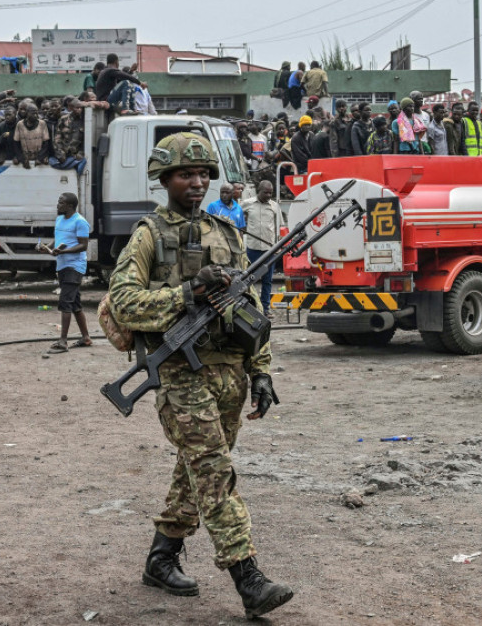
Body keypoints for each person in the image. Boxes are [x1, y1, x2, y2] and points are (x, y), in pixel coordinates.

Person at [107, 132, 292, 619]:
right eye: (186, 174)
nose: (197, 182)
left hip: (229, 371)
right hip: (178, 372)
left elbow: (251, 307)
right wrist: (186, 293)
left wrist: (262, 371)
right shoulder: (149, 233)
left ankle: (161, 558)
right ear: (164, 178)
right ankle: (248, 576)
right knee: (213, 470)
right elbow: (123, 302)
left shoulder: (226, 231)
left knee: (196, 469)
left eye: (204, 173)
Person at [36, 192, 92, 352]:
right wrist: (47, 247)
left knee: (65, 302)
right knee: (75, 304)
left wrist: (64, 252)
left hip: (74, 266)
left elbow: (83, 245)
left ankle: (63, 341)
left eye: (61, 202)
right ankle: (86, 337)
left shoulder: (80, 222)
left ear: (69, 206)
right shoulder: (59, 219)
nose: (58, 204)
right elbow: (58, 240)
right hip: (62, 265)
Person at [241, 181, 279, 317]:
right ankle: (249, 307)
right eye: (266, 192)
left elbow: (277, 227)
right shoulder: (247, 204)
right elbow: (237, 215)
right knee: (249, 279)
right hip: (253, 248)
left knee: (267, 280)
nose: (268, 195)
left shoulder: (275, 206)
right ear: (259, 190)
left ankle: (265, 308)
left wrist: (277, 246)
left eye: (270, 193)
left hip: (269, 249)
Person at [51, 100, 87, 174]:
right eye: (77, 108)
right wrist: (60, 153)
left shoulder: (84, 121)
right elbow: (57, 138)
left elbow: (86, 140)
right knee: (53, 162)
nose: (79, 110)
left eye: (81, 108)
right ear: (72, 108)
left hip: (76, 155)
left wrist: (81, 153)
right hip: (63, 154)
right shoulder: (63, 119)